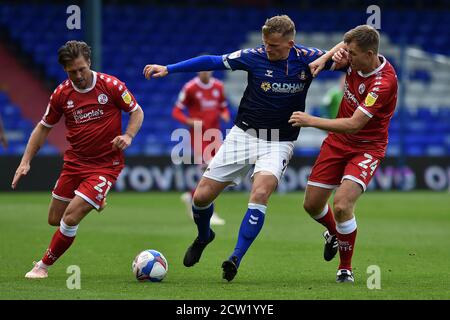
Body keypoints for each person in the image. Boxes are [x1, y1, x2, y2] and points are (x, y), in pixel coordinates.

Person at [144, 15, 344, 282]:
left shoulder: (309, 58)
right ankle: (204, 236)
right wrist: (168, 68)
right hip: (243, 135)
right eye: (265, 44)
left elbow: (352, 54)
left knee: (260, 194)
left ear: (290, 44)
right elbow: (212, 60)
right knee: (201, 197)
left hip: (279, 141)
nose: (267, 50)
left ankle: (235, 257)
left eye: (273, 46)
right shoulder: (253, 56)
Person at [12, 40, 144, 279]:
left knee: (71, 217)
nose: (79, 75)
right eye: (73, 72)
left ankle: (42, 266)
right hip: (75, 163)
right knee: (54, 219)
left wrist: (128, 135)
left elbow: (137, 111)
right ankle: (96, 199)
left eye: (82, 69)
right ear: (65, 70)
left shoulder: (111, 85)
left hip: (105, 165)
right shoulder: (62, 94)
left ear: (89, 63)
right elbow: (43, 128)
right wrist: (25, 161)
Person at [289, 25, 398, 283]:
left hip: (367, 147)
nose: (347, 56)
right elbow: (345, 42)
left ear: (370, 54)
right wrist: (325, 58)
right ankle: (335, 234)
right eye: (346, 52)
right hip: (338, 142)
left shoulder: (383, 83)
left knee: (341, 204)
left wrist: (311, 120)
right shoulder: (355, 56)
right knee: (312, 204)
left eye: (352, 54)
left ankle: (345, 268)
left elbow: (354, 124)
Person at [172, 70, 230, 225]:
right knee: (211, 171)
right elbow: (176, 111)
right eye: (202, 70)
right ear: (199, 71)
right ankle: (210, 212)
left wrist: (224, 113)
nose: (205, 73)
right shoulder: (190, 87)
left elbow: (223, 106)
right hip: (198, 135)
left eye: (208, 70)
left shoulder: (218, 86)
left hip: (215, 135)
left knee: (215, 172)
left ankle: (192, 195)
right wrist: (189, 121)